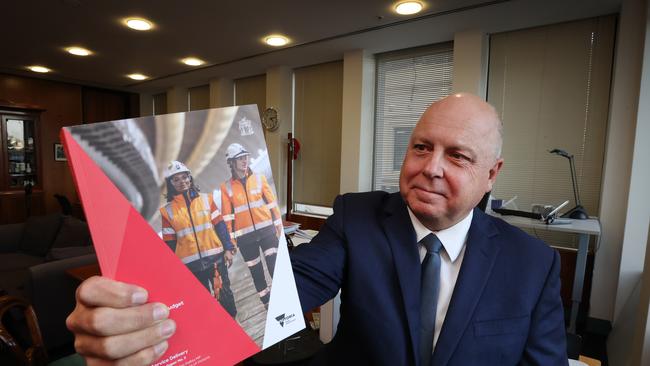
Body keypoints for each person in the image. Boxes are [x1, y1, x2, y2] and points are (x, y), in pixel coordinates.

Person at [65, 93, 567, 365]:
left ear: (492, 175)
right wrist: (148, 319)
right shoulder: (358, 216)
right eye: (421, 147)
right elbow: (282, 293)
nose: (431, 167)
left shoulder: (532, 263)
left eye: (457, 155)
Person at [160, 161, 237, 317]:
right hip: (190, 267)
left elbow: (220, 226)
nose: (182, 181)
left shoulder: (206, 200)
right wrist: (173, 269)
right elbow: (169, 244)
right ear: (171, 183)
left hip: (216, 258)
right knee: (203, 303)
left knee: (225, 296)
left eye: (184, 177)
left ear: (190, 178)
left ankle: (234, 324)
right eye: (176, 179)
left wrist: (228, 248)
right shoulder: (166, 211)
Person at [220, 143, 283, 308]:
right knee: (257, 273)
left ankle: (281, 297)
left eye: (245, 157)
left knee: (274, 265)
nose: (244, 161)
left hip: (267, 231)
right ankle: (267, 302)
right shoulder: (225, 188)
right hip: (245, 239)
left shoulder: (259, 178)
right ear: (231, 163)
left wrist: (278, 226)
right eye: (240, 158)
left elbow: (272, 204)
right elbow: (227, 218)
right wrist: (230, 243)